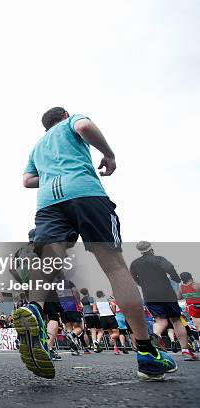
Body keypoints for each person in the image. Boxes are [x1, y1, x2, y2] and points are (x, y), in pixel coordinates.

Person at [15, 107, 175, 380]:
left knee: (46, 263)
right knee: (114, 267)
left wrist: (53, 175)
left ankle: (34, 310)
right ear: (64, 115)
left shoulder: (38, 146)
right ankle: (146, 352)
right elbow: (85, 127)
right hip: (85, 194)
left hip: (49, 205)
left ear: (45, 126)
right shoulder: (71, 122)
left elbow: (27, 180)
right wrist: (108, 155)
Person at [131, 241, 198, 361]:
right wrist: (176, 278)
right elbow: (170, 268)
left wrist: (142, 283)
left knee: (160, 321)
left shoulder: (135, 263)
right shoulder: (159, 259)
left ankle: (155, 337)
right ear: (151, 249)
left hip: (149, 295)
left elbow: (133, 277)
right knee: (176, 320)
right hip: (166, 293)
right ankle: (186, 351)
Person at [80, 288, 102, 352]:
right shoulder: (91, 298)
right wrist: (99, 311)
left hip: (86, 316)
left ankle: (95, 348)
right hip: (93, 315)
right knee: (101, 330)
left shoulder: (82, 300)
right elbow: (94, 310)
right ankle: (97, 342)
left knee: (93, 331)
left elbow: (81, 308)